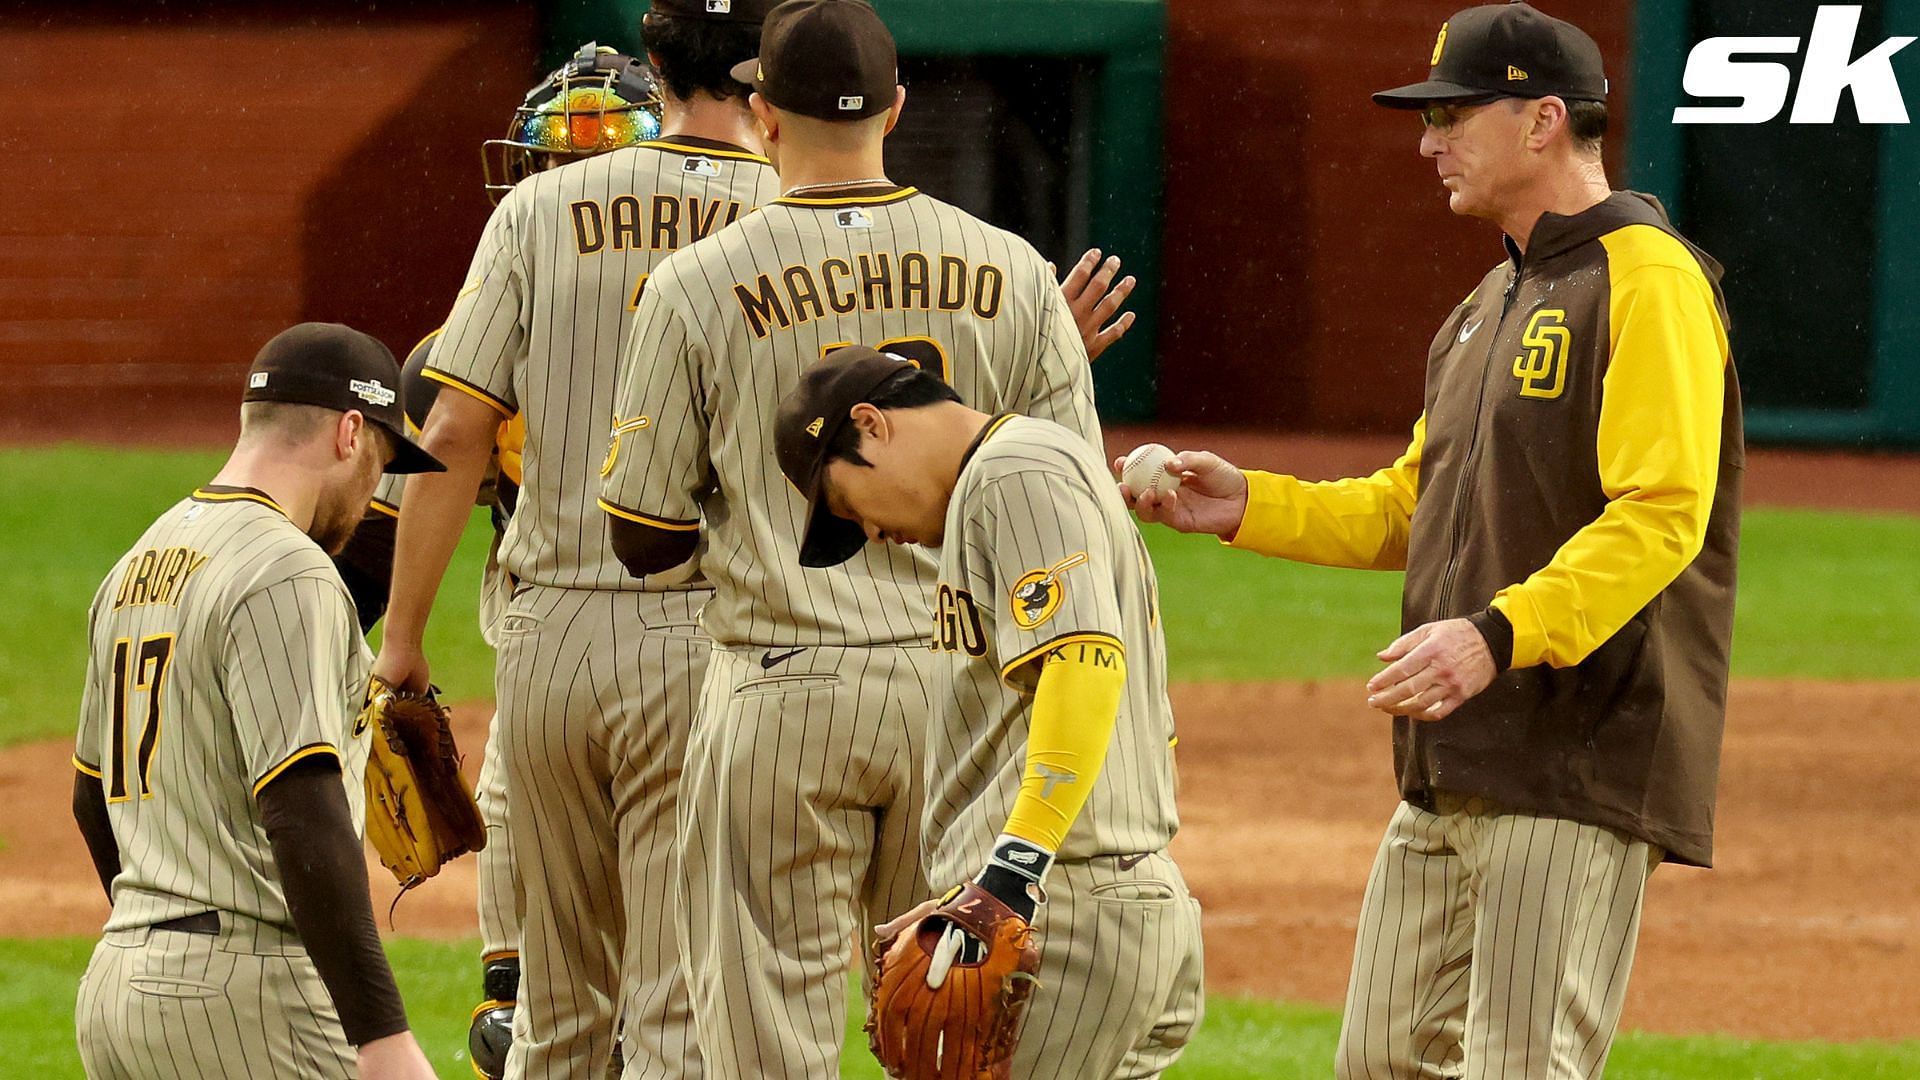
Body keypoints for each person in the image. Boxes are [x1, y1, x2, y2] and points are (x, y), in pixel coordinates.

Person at [1125, 5, 1742, 1076]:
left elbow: (1660, 514)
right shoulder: (1485, 304)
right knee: (1379, 1061)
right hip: (1453, 757)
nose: (1427, 142)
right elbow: (1415, 509)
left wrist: (1496, 635)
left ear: (1546, 119)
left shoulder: (1649, 279)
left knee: (1517, 1064)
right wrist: (1245, 505)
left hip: (1571, 746)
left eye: (1454, 115)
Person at [598, 2, 1108, 1073]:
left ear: (764, 117)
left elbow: (640, 534)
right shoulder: (1014, 271)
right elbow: (1072, 505)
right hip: (965, 698)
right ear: (898, 108)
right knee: (952, 1034)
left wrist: (750, 490)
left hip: (781, 691)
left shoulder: (693, 283)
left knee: (758, 1046)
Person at [370, 2, 786, 1075]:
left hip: (547, 636)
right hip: (717, 634)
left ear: (658, 61)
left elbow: (451, 428)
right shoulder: (795, 208)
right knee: (673, 1007)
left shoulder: (535, 216)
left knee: (546, 1013)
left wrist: (401, 647)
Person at [333, 42, 652, 1078]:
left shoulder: (468, 341)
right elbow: (367, 562)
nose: (565, 182)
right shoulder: (748, 277)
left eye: (580, 161)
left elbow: (382, 544)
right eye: (553, 162)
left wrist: (399, 651)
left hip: (568, 648)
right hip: (701, 656)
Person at [774, 348, 1205, 1076]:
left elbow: (1083, 661)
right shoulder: (1012, 472)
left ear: (872, 426)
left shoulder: (1016, 473)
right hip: (1086, 892)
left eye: (849, 504)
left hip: (1053, 900)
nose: (871, 534)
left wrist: (1012, 871)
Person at [71, 323, 444, 1080]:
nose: (372, 494)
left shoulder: (138, 560)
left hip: (117, 990)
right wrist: (382, 1036)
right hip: (250, 999)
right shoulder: (287, 568)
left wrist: (160, 949)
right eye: (378, 463)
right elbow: (301, 811)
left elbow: (90, 800)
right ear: (349, 433)